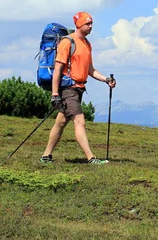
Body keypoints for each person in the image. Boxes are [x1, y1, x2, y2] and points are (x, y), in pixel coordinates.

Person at [40, 11, 116, 164]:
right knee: (79, 121)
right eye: (87, 23)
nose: (90, 26)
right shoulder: (68, 42)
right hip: (69, 89)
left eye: (91, 23)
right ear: (79, 25)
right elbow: (58, 70)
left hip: (79, 88)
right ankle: (91, 158)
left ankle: (46, 156)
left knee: (60, 122)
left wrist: (106, 79)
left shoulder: (87, 44)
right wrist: (55, 94)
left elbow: (90, 70)